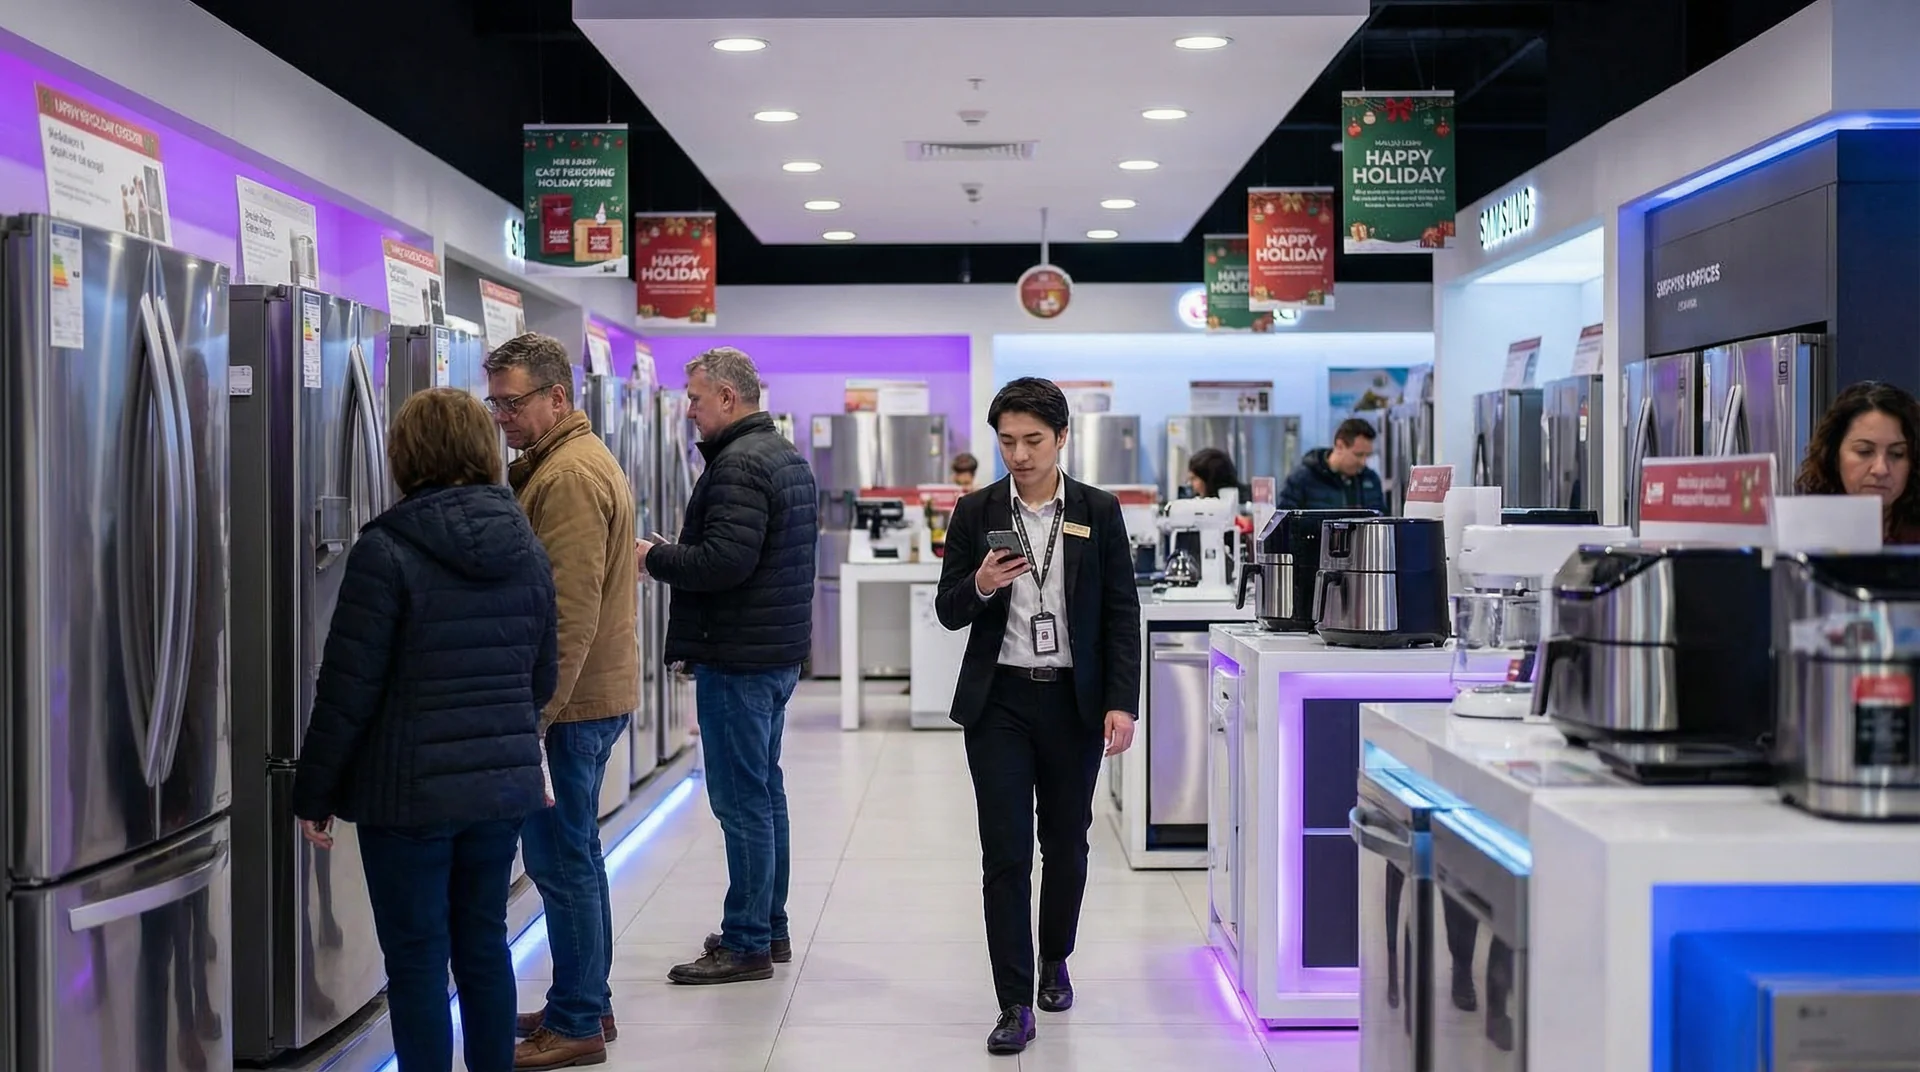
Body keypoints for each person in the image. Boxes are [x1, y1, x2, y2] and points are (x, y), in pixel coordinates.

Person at [291, 388, 556, 1072]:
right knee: (484, 946)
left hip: (406, 797)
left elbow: (347, 689)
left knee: (416, 961)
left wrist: (314, 792)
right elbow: (542, 677)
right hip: (498, 790)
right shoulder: (526, 547)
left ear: (406, 455)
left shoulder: (386, 550)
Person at [935, 377, 1142, 1056]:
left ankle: (1056, 957)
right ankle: (1014, 1002)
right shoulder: (975, 511)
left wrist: (1121, 701)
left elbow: (1120, 613)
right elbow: (948, 608)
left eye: (1032, 441)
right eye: (1007, 441)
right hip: (998, 701)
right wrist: (979, 584)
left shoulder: (1096, 510)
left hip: (1072, 702)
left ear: (1061, 438)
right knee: (1005, 854)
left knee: (1067, 843)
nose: (1019, 455)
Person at [635, 347, 818, 985]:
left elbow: (724, 563)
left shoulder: (738, 463)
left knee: (741, 803)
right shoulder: (783, 454)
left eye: (694, 397)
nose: (689, 410)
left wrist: (654, 558)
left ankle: (746, 942)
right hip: (773, 651)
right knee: (764, 793)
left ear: (727, 397)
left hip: (739, 656)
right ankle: (769, 926)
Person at [485, 333, 638, 1070]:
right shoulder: (563, 461)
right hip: (590, 696)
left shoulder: (569, 475)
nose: (502, 417)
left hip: (570, 707)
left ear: (556, 396)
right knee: (576, 856)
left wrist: (535, 716)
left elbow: (567, 614)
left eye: (513, 403)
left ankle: (576, 1020)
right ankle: (586, 1000)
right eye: (494, 404)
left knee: (561, 862)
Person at [1796, 380, 1920, 544]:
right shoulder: (1801, 535)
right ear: (1834, 456)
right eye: (1864, 451)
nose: (1880, 469)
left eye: (1897, 454)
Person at [1279, 417, 1387, 512]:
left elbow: (1382, 519)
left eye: (1367, 455)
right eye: (1358, 455)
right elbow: (1285, 523)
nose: (1363, 462)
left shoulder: (1371, 480)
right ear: (1340, 446)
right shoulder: (1301, 479)